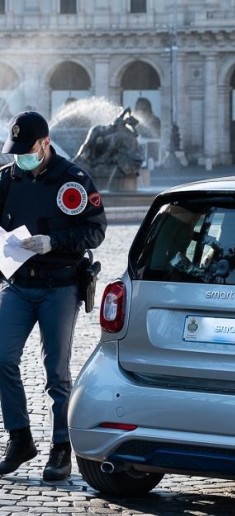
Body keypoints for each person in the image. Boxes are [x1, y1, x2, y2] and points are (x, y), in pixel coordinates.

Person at [0, 112, 107, 480]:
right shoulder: (7, 178)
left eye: (27, 151)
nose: (21, 159)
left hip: (59, 286)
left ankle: (61, 448)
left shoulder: (73, 180)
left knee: (56, 373)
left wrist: (54, 242)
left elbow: (95, 231)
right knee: (1, 357)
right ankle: (19, 439)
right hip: (17, 284)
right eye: (16, 152)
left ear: (45, 144)